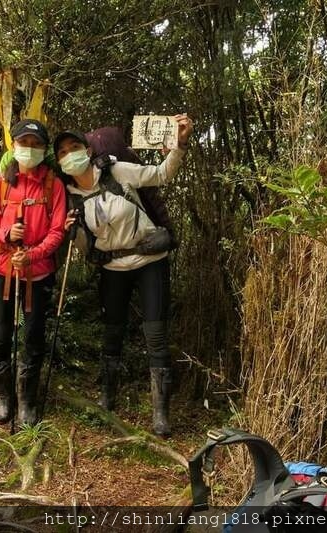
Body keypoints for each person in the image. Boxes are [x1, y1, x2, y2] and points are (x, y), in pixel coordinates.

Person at [56, 114, 192, 437]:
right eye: (62, 152)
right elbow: (86, 248)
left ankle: (161, 414)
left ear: (87, 151)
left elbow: (161, 175)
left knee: (155, 335)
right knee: (112, 331)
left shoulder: (117, 171)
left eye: (74, 147)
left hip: (150, 260)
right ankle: (107, 396)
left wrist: (180, 144)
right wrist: (71, 234)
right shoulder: (68, 197)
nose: (69, 155)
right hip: (113, 267)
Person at [0, 119, 67, 426]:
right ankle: (5, 399)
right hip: (4, 270)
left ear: (44, 150)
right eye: (23, 143)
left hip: (38, 272)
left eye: (35, 144)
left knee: (33, 336)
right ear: (14, 146)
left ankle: (27, 403)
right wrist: (6, 234)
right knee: (1, 336)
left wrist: (32, 255)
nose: (28, 149)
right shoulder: (0, 184)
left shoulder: (53, 185)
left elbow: (57, 231)